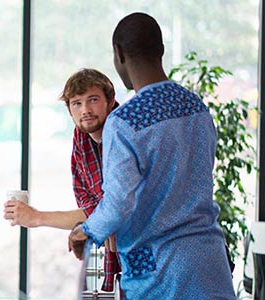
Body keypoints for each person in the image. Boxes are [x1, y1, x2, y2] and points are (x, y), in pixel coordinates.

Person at [68, 12, 236, 299]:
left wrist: (86, 231)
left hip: (160, 273)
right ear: (161, 50)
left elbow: (119, 202)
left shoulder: (124, 121)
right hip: (210, 264)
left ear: (118, 54)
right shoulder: (197, 108)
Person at [3, 68, 121, 292]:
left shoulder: (124, 135)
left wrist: (36, 218)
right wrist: (91, 227)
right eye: (76, 103)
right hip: (107, 253)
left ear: (111, 100)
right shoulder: (81, 139)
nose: (85, 110)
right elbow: (89, 203)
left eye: (92, 100)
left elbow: (113, 208)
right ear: (69, 110)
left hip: (146, 254)